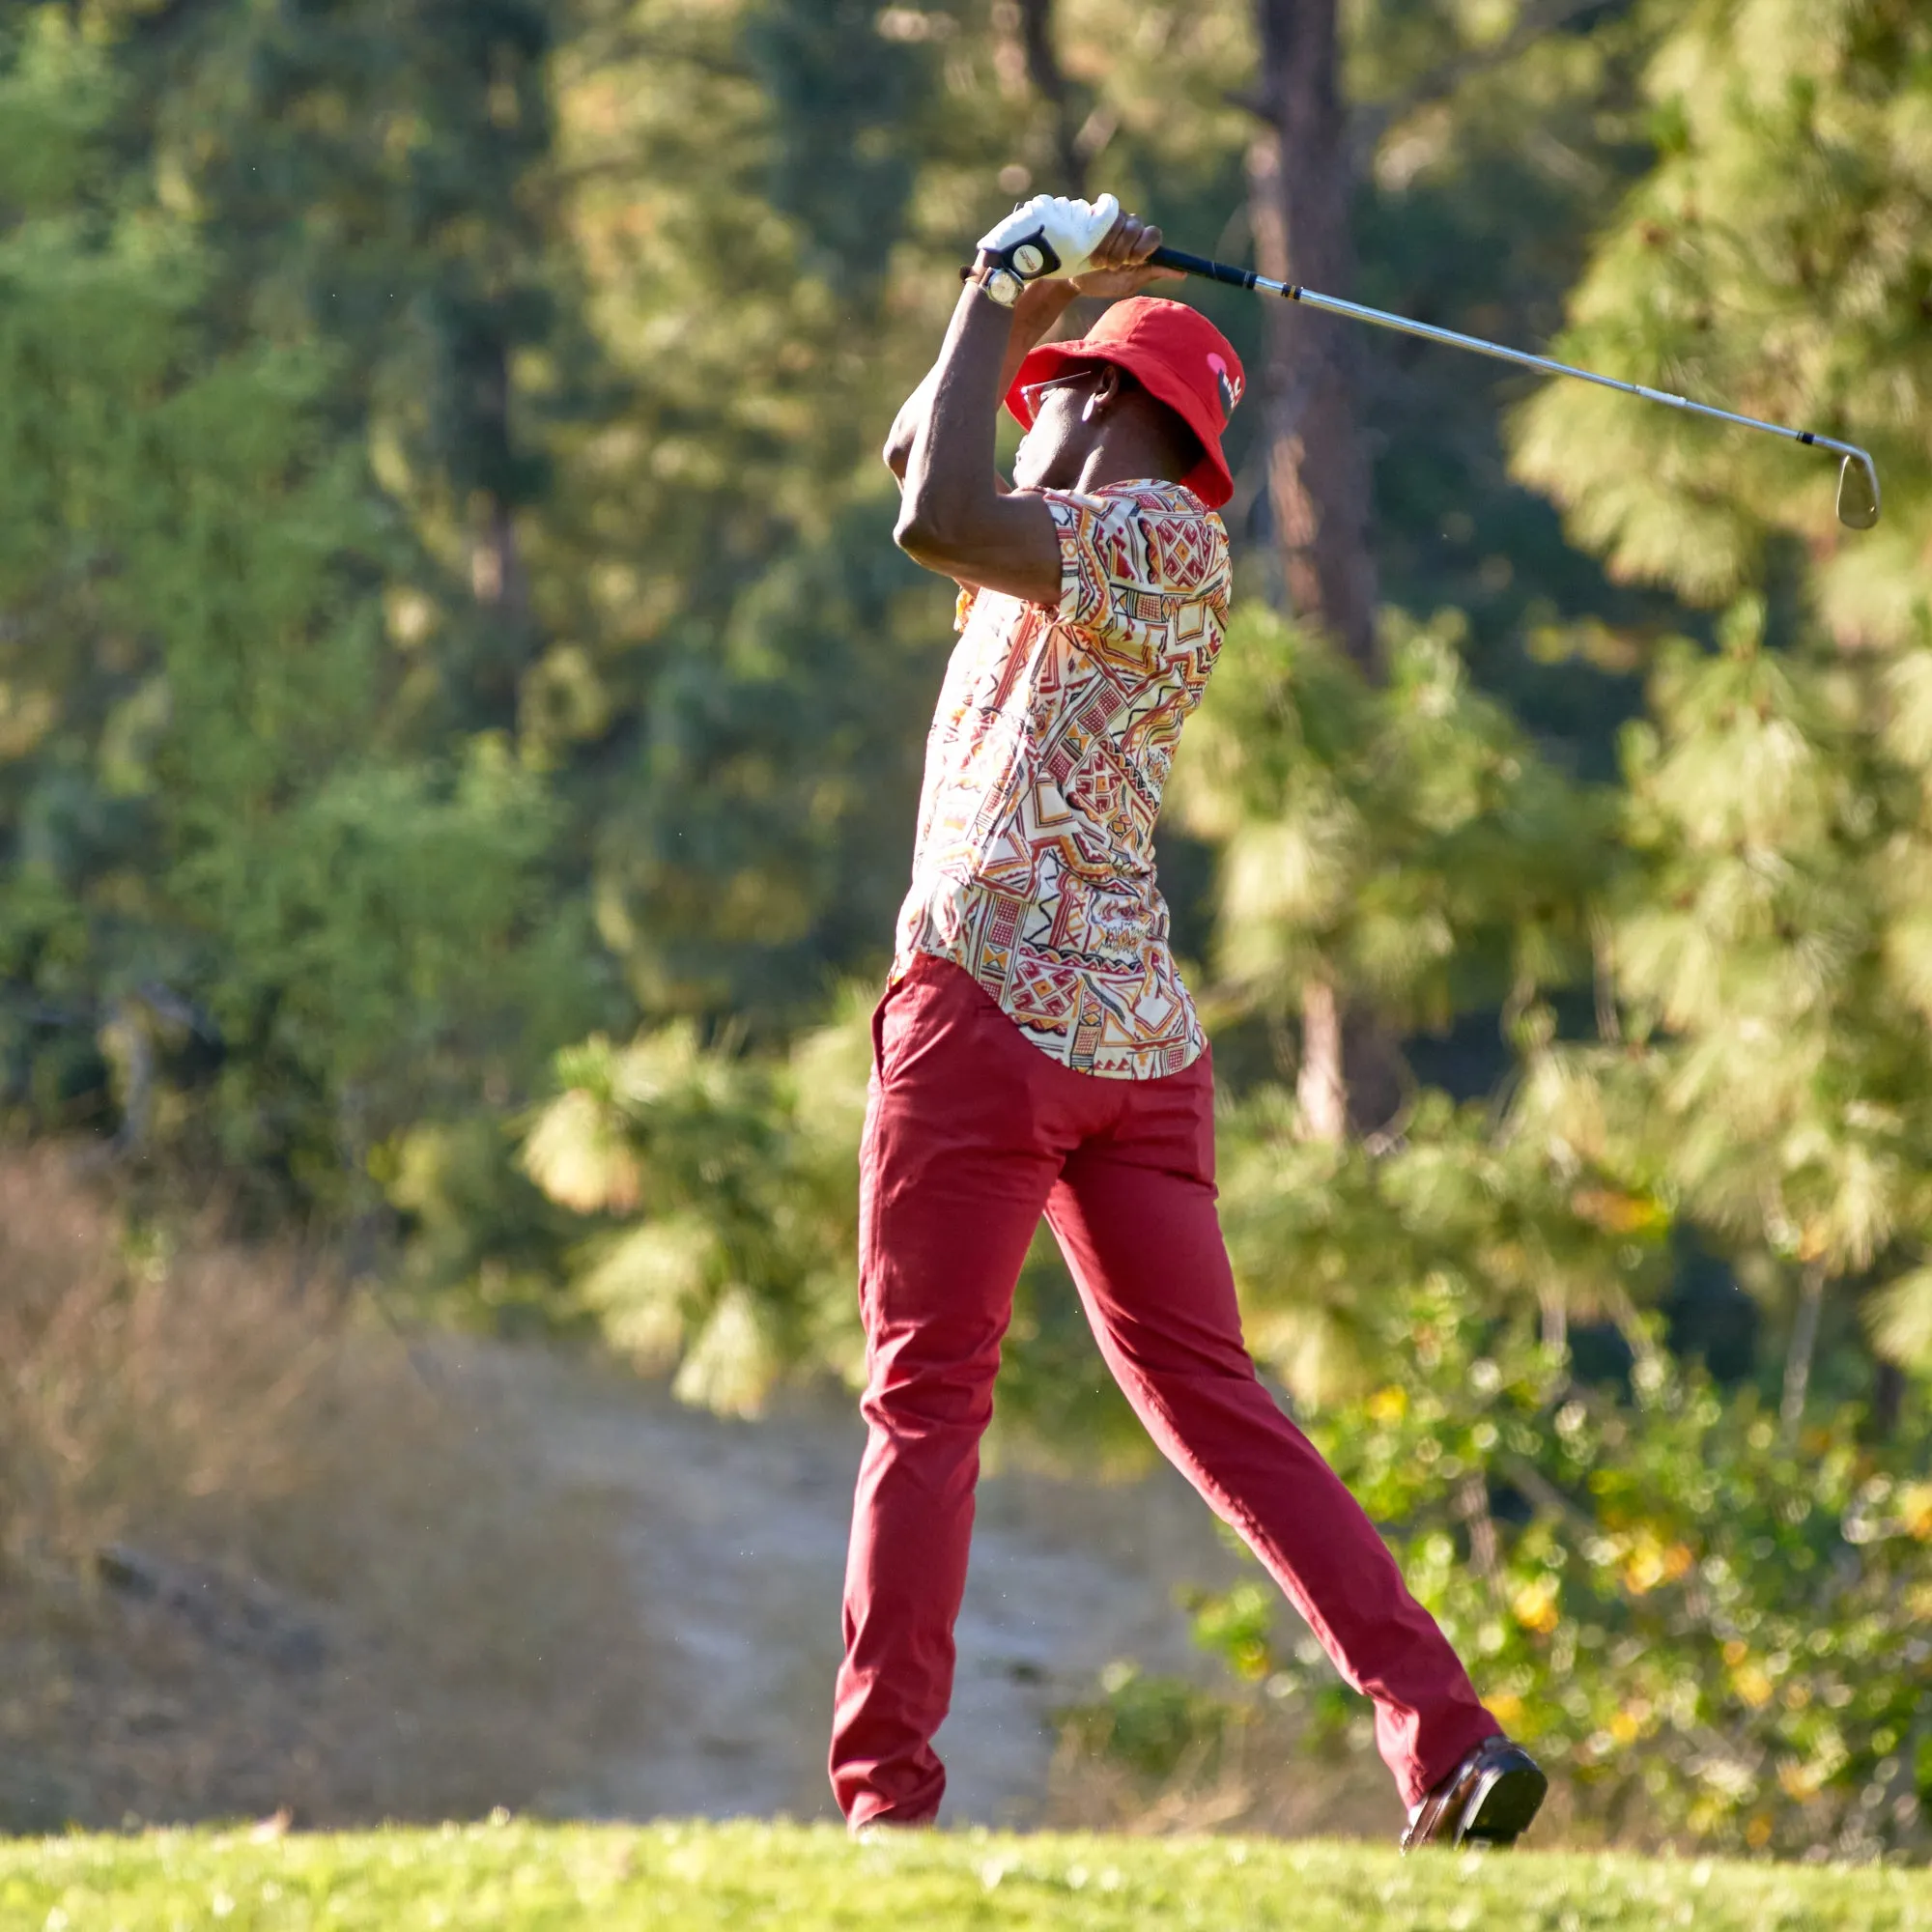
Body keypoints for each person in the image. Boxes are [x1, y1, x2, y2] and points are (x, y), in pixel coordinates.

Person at [829, 191, 1547, 1852]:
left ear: (1112, 408)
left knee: (925, 1397)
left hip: (986, 1011)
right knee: (1222, 1406)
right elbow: (912, 452)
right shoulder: (1054, 546)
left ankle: (886, 1806)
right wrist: (1037, 292)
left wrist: (1008, 275)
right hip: (1132, 1055)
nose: (1030, 414)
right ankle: (1446, 1740)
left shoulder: (1147, 540)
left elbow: (927, 506)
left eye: (1056, 390)